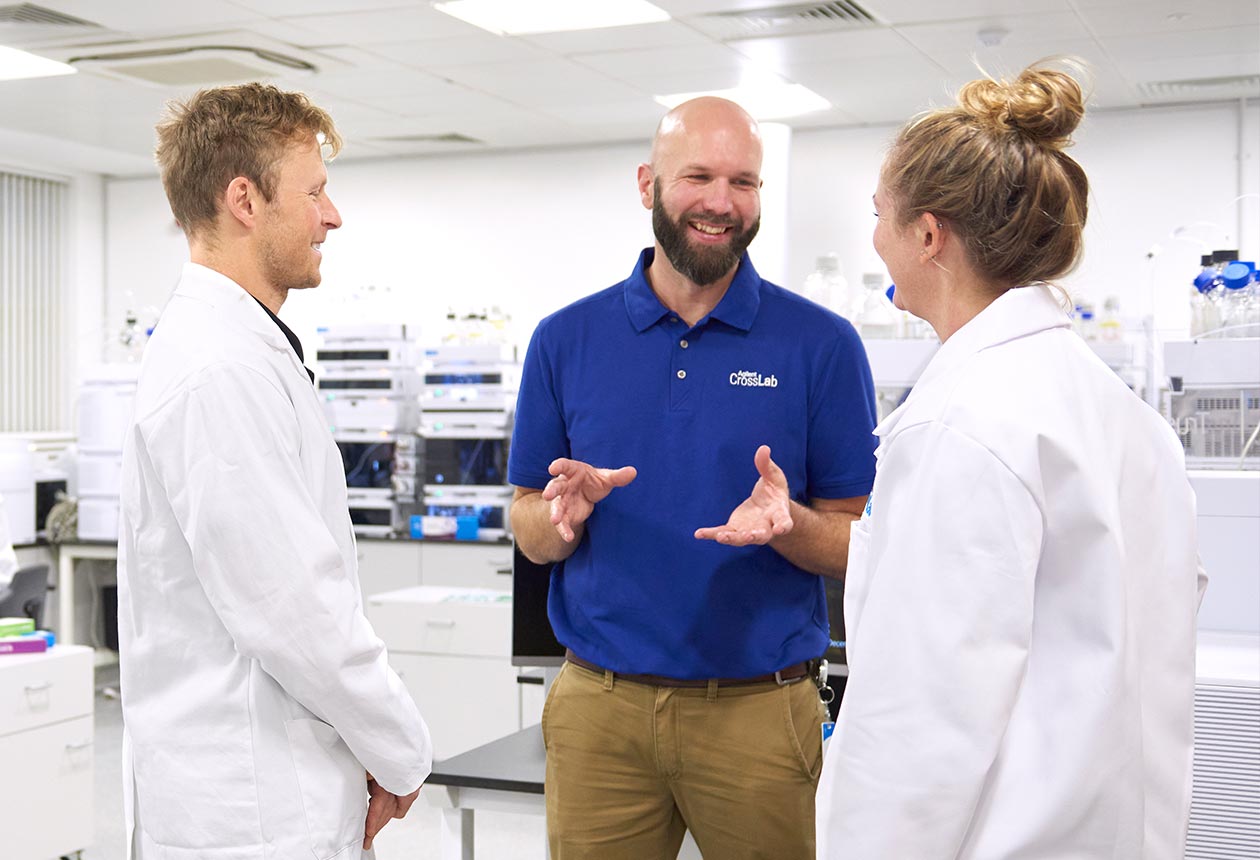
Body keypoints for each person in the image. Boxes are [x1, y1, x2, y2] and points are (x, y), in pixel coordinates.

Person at [816, 61, 1206, 858]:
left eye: (879, 215)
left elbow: (918, 726)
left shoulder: (961, 420)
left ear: (929, 236)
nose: (875, 240)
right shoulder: (1125, 417)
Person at [509, 96, 878, 859]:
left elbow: (857, 542)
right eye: (698, 177)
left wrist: (792, 525)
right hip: (598, 713)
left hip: (760, 715)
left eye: (743, 182)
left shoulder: (821, 344)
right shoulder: (565, 339)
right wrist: (559, 518)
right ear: (647, 184)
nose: (720, 202)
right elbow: (529, 529)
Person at [117, 83, 431, 859]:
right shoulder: (219, 369)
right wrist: (401, 748)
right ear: (244, 200)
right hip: (248, 810)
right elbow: (294, 609)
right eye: (316, 191)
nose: (333, 215)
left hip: (266, 788)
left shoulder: (237, 348)